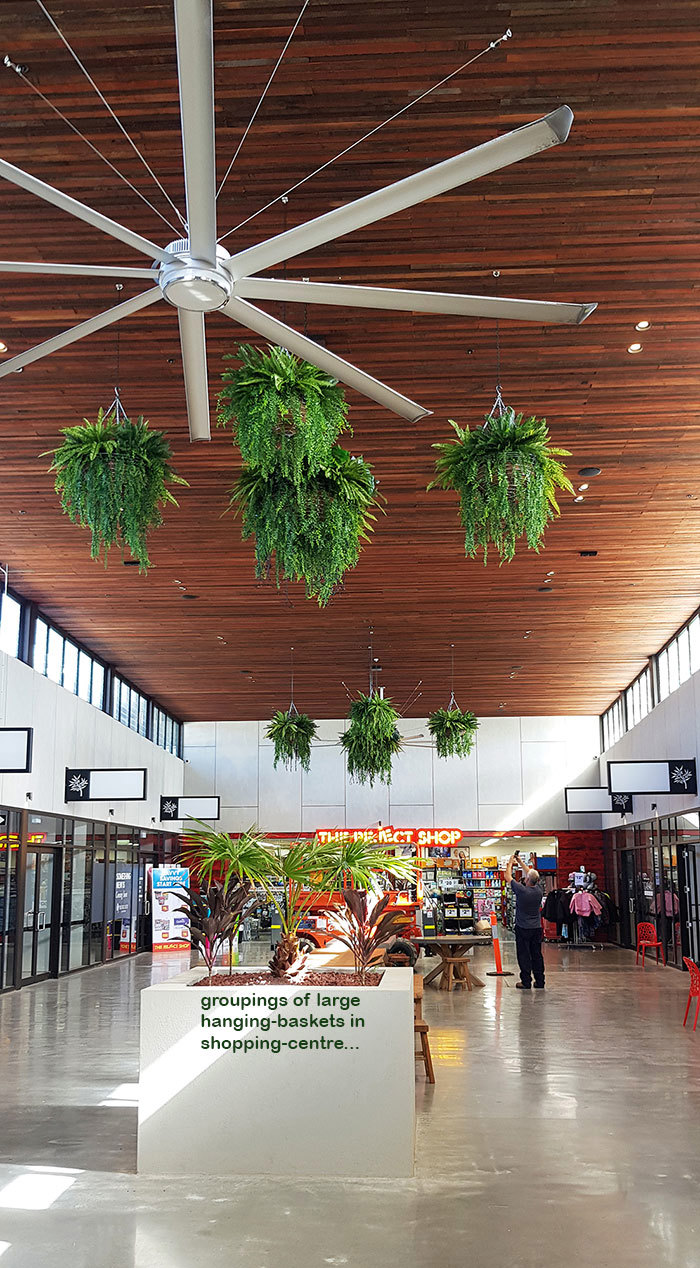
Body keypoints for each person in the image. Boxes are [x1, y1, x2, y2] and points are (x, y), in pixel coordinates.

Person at [505, 854, 545, 990]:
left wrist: (510, 863)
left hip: (523, 928)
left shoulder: (522, 890)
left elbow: (507, 877)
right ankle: (540, 981)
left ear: (527, 879)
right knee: (537, 955)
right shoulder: (539, 891)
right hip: (536, 928)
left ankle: (526, 981)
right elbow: (532, 875)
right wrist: (521, 861)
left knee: (524, 955)